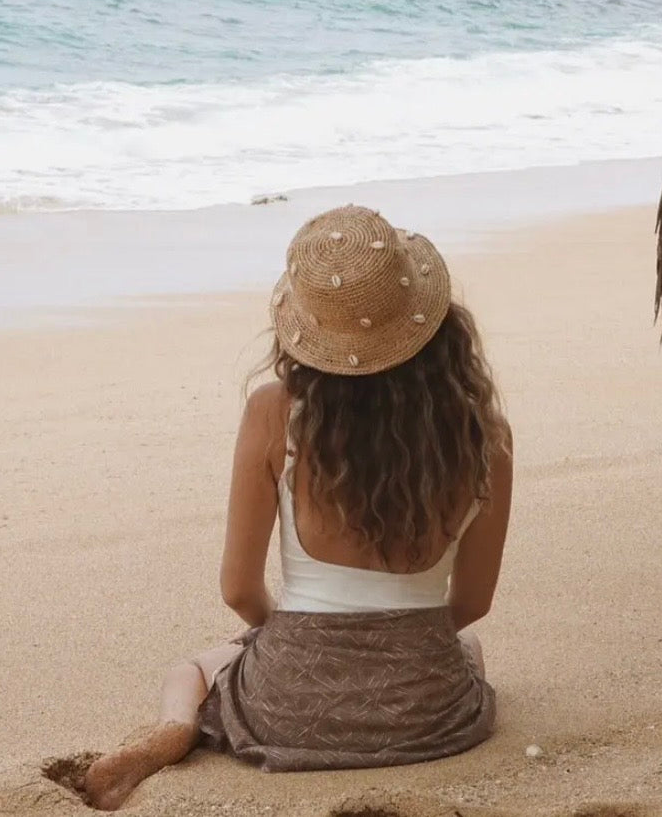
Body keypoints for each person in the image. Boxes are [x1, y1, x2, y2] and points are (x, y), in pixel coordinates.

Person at [83, 204, 513, 810]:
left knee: (195, 669)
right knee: (467, 654)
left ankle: (176, 728)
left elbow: (238, 589)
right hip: (429, 716)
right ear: (432, 319)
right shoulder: (485, 434)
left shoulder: (273, 413)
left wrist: (282, 633)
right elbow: (472, 603)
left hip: (287, 706)